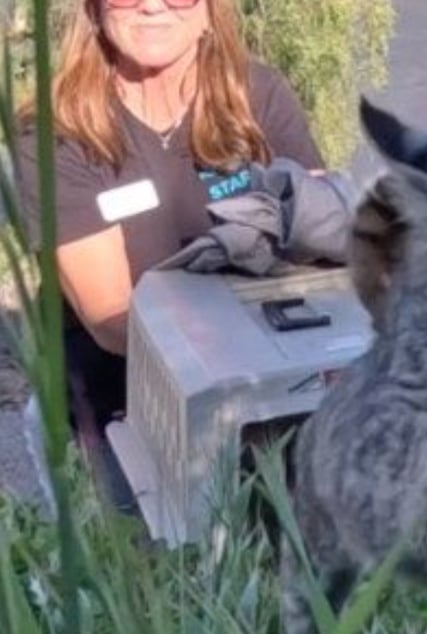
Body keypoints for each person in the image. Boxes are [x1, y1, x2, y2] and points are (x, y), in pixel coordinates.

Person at [14, 0, 330, 506]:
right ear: (94, 9)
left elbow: (325, 234)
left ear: (210, 11)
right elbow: (116, 323)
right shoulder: (56, 134)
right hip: (117, 408)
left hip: (268, 396)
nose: (153, 4)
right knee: (153, 573)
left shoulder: (260, 95)